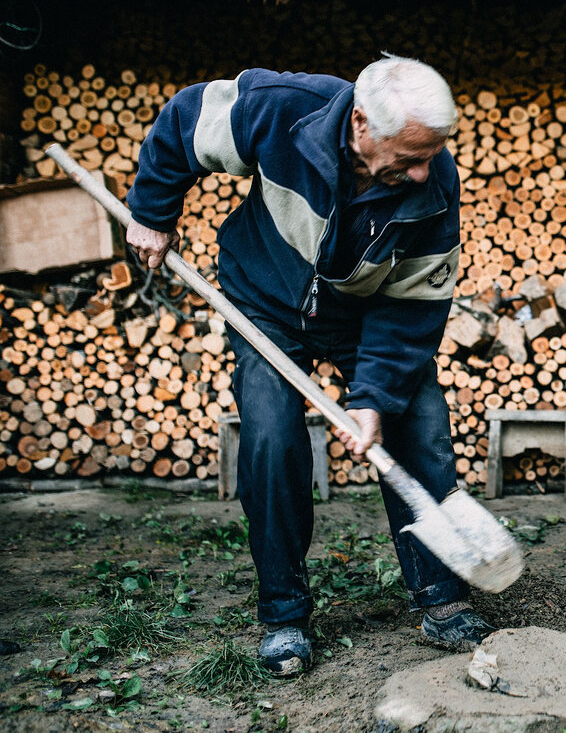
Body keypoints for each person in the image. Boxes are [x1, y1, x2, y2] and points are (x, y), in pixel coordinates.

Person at [125, 55, 496, 675]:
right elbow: (185, 122)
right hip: (264, 299)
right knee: (271, 436)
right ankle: (285, 614)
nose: (425, 169)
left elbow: (414, 307)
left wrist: (373, 397)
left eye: (433, 153)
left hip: (365, 312)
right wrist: (152, 212)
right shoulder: (279, 108)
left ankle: (442, 600)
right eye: (409, 156)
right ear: (360, 125)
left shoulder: (433, 184)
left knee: (420, 427)